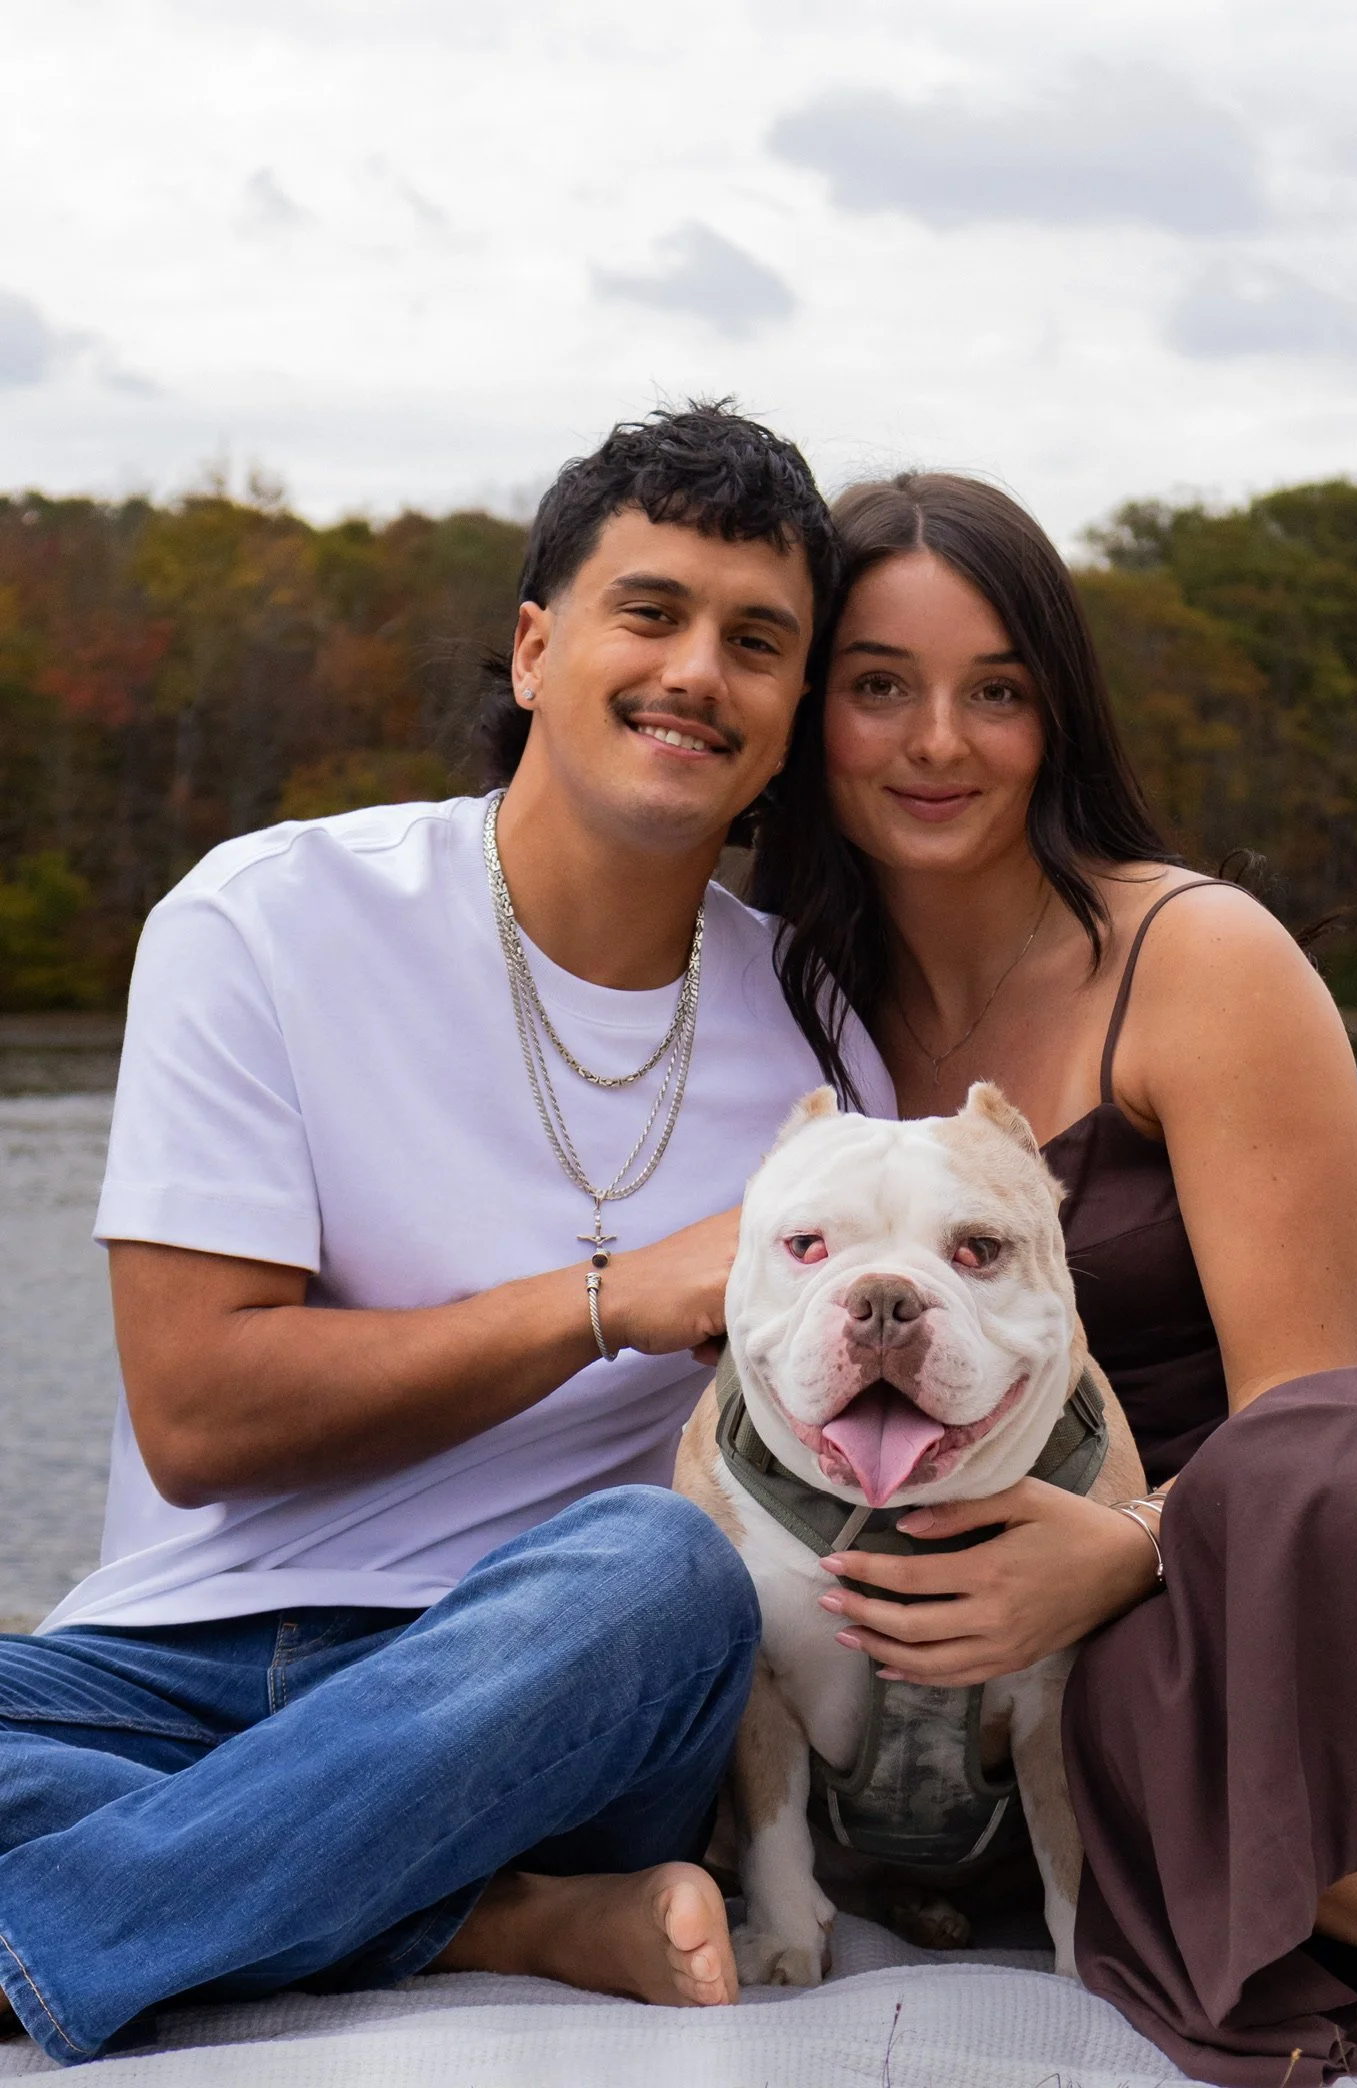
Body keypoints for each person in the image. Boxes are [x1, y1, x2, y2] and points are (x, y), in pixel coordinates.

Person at [0, 404, 892, 2067]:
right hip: (177, 1661)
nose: (700, 668)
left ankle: (56, 1937)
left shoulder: (822, 1043)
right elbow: (198, 1421)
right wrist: (615, 1301)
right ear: (538, 646)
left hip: (552, 1694)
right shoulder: (265, 916)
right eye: (653, 612)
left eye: (758, 642)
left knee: (665, 1569)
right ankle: (496, 1918)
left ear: (787, 720)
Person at [751, 470, 1357, 2085]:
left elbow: (1305, 1421)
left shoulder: (1198, 958)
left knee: (1177, 1674)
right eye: (879, 688)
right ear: (809, 711)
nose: (938, 743)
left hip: (1351, 1482)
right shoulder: (790, 994)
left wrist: (1114, 1553)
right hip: (1098, 1545)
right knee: (1121, 1742)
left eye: (999, 693)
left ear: (1063, 718)